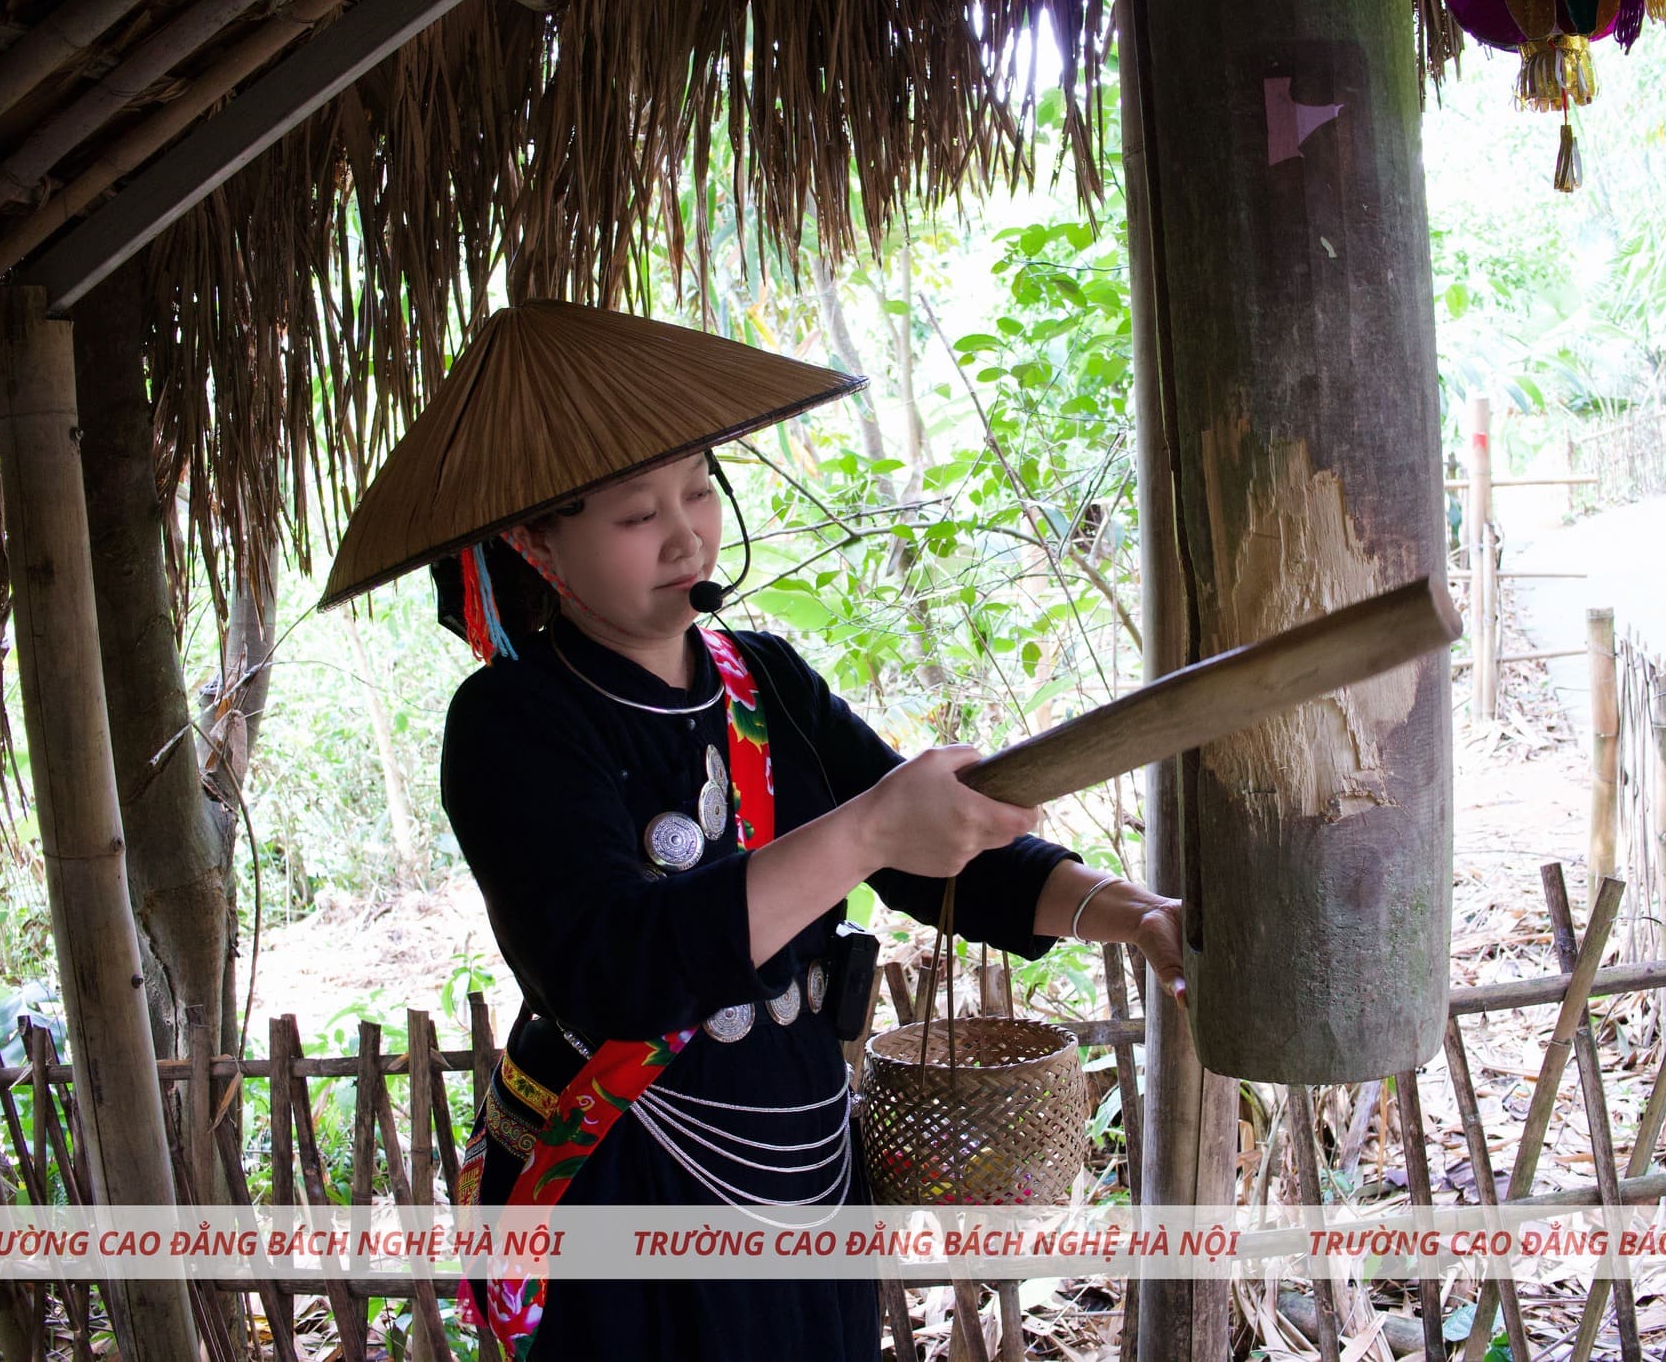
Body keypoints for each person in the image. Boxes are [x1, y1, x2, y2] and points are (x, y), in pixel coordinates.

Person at [318, 301, 1188, 1360]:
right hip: (631, 1186)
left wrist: (1118, 909)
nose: (686, 531)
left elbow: (933, 859)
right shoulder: (512, 723)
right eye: (637, 515)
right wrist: (866, 831)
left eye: (696, 487)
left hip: (805, 1165)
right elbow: (615, 969)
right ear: (534, 541)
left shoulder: (761, 678)